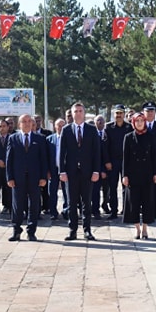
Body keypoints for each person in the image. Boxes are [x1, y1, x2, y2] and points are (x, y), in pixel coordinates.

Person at [59, 102, 101, 240]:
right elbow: (62, 152)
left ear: (84, 112)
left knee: (86, 203)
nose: (78, 113)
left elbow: (96, 152)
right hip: (71, 173)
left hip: (87, 172)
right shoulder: (66, 130)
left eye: (80, 111)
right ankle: (72, 230)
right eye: (75, 111)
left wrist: (96, 171)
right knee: (71, 203)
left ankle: (87, 230)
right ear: (72, 113)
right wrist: (62, 171)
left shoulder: (91, 129)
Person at [6, 114, 49, 241]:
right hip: (18, 178)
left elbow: (43, 160)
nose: (27, 123)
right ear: (19, 124)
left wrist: (43, 177)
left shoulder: (40, 139)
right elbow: (9, 160)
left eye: (29, 121)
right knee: (17, 205)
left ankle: (31, 231)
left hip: (35, 178)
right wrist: (10, 177)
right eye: (24, 121)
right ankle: (16, 230)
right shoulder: (13, 138)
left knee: (34, 205)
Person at [122, 111, 156, 239]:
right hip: (133, 175)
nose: (139, 123)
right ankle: (137, 228)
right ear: (133, 122)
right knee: (134, 202)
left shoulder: (151, 136)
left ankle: (145, 229)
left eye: (141, 121)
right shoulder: (128, 137)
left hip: (147, 174)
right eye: (137, 121)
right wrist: (125, 175)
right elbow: (125, 159)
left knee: (147, 202)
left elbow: (155, 156)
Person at [103, 105, 132, 220]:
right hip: (113, 161)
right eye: (117, 113)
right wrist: (107, 161)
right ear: (113, 115)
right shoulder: (108, 128)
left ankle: (126, 210)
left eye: (121, 113)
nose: (118, 116)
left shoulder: (129, 127)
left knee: (126, 186)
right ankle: (113, 211)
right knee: (112, 187)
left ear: (124, 114)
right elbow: (105, 147)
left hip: (126, 162)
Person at [47, 118, 68, 220]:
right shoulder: (49, 139)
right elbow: (46, 156)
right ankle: (53, 212)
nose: (60, 128)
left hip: (66, 169)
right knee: (52, 191)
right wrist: (47, 170)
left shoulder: (69, 138)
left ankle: (66, 211)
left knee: (66, 191)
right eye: (58, 125)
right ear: (55, 127)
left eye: (62, 126)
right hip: (53, 169)